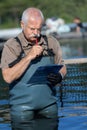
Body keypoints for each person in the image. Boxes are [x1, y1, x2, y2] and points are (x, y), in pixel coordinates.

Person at [1, 7, 67, 123]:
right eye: (32, 29)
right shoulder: (11, 46)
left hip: (49, 105)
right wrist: (29, 56)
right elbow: (7, 77)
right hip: (21, 108)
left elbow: (62, 66)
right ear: (22, 24)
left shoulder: (51, 42)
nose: (36, 33)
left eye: (39, 29)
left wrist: (60, 76)